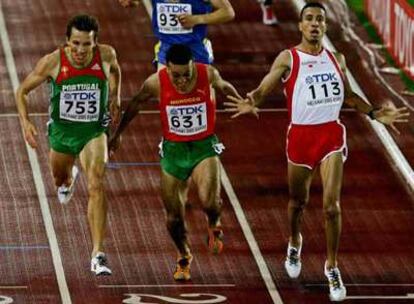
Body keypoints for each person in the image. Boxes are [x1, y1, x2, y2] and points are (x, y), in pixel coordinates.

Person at [224, 2, 409, 301]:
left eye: (319, 20)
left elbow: (348, 95)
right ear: (300, 26)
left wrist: (374, 113)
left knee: (331, 206)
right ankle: (295, 240)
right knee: (298, 202)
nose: (314, 24)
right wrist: (252, 100)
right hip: (300, 138)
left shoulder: (337, 58)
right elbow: (265, 85)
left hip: (331, 136)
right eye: (308, 19)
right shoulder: (289, 57)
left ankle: (332, 266)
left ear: (324, 26)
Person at [109, 44, 246, 281]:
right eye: (177, 75)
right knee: (173, 216)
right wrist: (118, 133)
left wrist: (243, 100)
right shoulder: (156, 82)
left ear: (194, 67)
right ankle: (183, 255)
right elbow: (137, 103)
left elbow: (224, 86)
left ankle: (214, 223)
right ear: (167, 69)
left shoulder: (207, 73)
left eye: (187, 75)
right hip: (173, 151)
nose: (182, 81)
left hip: (203, 147)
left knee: (209, 201)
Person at [16, 14, 121, 276]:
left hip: (93, 132)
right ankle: (67, 180)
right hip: (62, 134)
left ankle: (98, 254)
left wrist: (115, 96)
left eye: (87, 45)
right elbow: (22, 91)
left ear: (95, 44)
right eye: (76, 44)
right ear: (67, 42)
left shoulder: (106, 55)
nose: (81, 51)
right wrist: (25, 122)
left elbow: (116, 70)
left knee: (96, 182)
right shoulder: (53, 61)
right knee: (59, 179)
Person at [118, 0, 235, 67]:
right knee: (165, 93)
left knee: (202, 92)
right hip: (166, 49)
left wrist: (197, 19)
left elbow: (228, 12)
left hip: (195, 50)